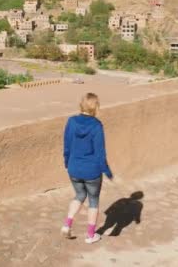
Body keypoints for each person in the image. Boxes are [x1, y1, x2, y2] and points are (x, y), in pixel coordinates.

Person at [61, 92, 113, 244]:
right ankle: (90, 235)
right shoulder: (97, 125)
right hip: (92, 171)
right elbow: (100, 152)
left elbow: (67, 145)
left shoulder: (71, 122)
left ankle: (67, 224)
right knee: (93, 201)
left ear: (81, 104)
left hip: (74, 168)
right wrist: (107, 171)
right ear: (95, 107)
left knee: (79, 195)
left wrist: (66, 162)